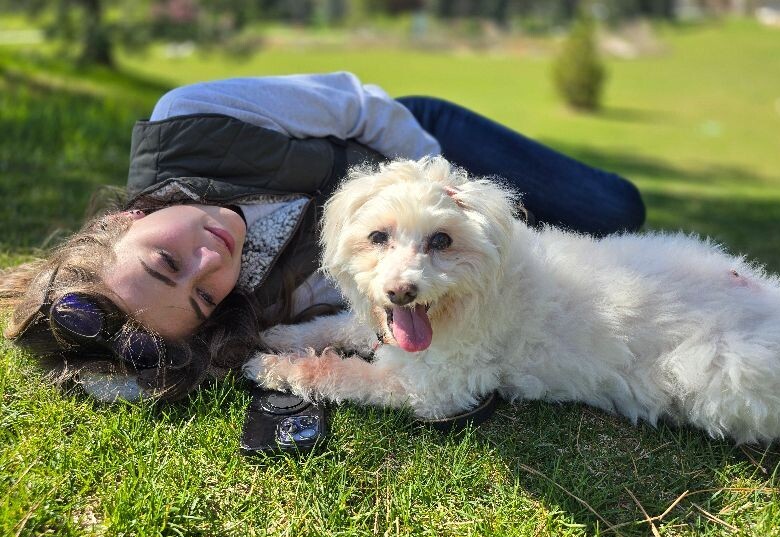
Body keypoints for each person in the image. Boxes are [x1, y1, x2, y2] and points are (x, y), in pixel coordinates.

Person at [0, 72, 645, 403]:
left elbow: (357, 103)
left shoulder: (191, 119)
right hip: (434, 250)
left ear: (118, 223)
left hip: (416, 140)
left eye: (167, 258)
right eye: (200, 295)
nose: (208, 260)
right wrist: (108, 376)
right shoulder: (252, 304)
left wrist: (432, 186)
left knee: (616, 208)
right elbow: (163, 373)